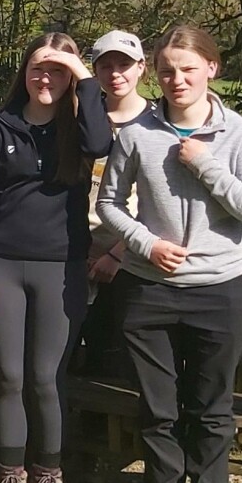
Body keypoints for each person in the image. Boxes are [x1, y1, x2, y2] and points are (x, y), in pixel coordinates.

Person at [98, 25, 242, 483]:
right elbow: (109, 204)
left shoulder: (238, 134)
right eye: (168, 71)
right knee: (158, 407)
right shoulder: (136, 133)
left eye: (188, 69)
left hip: (221, 289)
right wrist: (145, 243)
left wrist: (205, 163)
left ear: (211, 69)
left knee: (211, 407)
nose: (177, 80)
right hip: (149, 289)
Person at [0, 32, 111, 483]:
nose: (45, 78)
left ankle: (48, 476)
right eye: (37, 68)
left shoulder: (79, 128)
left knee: (45, 377)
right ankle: (10, 477)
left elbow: (101, 143)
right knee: (8, 374)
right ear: (23, 73)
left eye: (57, 70)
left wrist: (83, 74)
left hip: (60, 267)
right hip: (1, 264)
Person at [80, 30, 149, 379]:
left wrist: (119, 253)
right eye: (105, 66)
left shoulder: (157, 122)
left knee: (119, 362)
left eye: (124, 64)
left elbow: (160, 201)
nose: (115, 74)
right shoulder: (83, 119)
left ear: (141, 68)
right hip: (78, 255)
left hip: (131, 258)